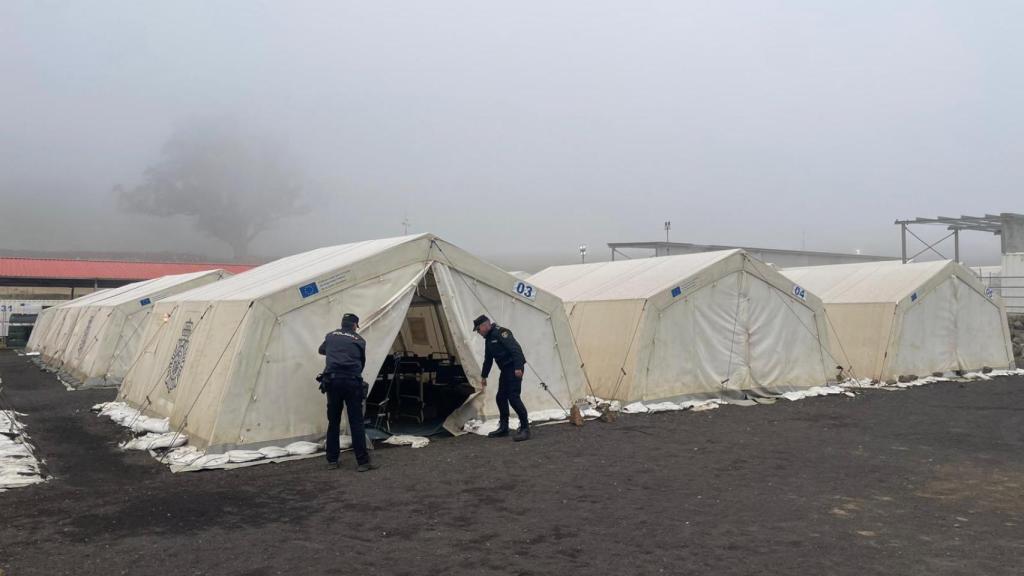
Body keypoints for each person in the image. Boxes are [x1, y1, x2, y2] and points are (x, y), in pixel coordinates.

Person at [318, 313, 378, 472]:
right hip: (352, 382)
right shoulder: (359, 340)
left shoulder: (330, 336)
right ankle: (363, 463)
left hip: (333, 382)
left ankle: (332, 461)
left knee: (334, 422)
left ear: (342, 323)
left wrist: (335, 353)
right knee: (356, 422)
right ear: (354, 326)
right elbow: (361, 362)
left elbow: (321, 350)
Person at [473, 315, 530, 442]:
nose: (478, 332)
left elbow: (516, 349)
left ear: (485, 325)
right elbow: (488, 359)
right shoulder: (488, 338)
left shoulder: (501, 332)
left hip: (514, 368)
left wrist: (518, 367)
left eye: (478, 329)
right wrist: (484, 376)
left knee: (513, 398)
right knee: (500, 397)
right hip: (505, 370)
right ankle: (504, 427)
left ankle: (525, 428)